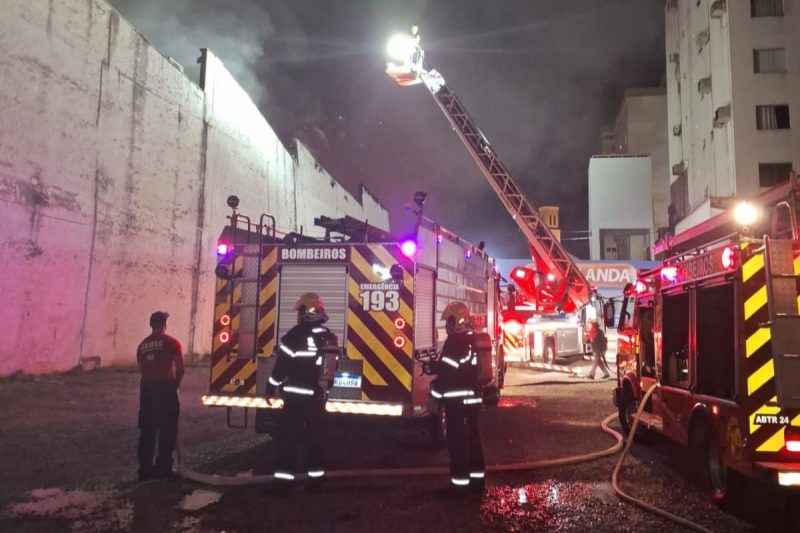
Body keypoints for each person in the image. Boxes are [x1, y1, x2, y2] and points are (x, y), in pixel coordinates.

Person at [266, 292, 338, 495]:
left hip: (296, 400)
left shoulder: (294, 336)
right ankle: (316, 484)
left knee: (287, 441)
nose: (298, 315)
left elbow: (281, 368)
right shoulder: (328, 336)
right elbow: (331, 371)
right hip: (317, 399)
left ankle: (282, 486)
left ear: (306, 312)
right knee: (315, 441)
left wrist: (271, 387)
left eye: (300, 311)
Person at [430, 302, 488, 495]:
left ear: (456, 320)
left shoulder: (454, 342)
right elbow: (462, 368)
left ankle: (459, 486)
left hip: (457, 401)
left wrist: (435, 393)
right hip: (473, 398)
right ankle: (477, 482)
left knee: (457, 442)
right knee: (473, 440)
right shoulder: (471, 339)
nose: (447, 325)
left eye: (449, 321)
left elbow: (448, 374)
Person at [136, 311, 184, 481]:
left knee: (147, 431)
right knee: (167, 429)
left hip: (147, 390)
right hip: (165, 388)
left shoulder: (142, 346)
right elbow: (180, 367)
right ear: (164, 325)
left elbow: (142, 370)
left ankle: (144, 470)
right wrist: (175, 385)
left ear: (151, 325)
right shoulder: (171, 343)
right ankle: (163, 469)